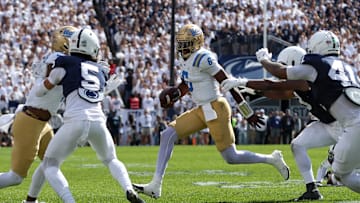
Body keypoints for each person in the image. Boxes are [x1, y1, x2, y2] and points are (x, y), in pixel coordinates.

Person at [132, 23, 290, 199]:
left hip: (216, 108)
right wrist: (176, 94)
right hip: (200, 109)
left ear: (196, 42)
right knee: (167, 134)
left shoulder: (203, 57)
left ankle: (272, 159)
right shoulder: (184, 59)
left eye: (187, 42)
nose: (183, 45)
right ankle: (155, 185)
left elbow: (227, 83)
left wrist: (247, 112)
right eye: (181, 41)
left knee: (231, 157)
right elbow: (187, 83)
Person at [30, 28, 144, 203]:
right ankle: (128, 188)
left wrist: (41, 79)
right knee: (111, 159)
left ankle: (70, 201)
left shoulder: (64, 62)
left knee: (49, 164)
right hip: (98, 121)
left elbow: (40, 92)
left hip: (75, 120)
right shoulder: (99, 69)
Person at [220, 44, 346, 200]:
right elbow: (275, 92)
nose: (283, 73)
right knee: (298, 145)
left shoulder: (304, 79)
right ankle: (312, 189)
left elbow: (272, 84)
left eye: (284, 66)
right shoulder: (299, 83)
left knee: (346, 173)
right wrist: (251, 89)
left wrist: (244, 81)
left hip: (345, 127)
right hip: (328, 124)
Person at [0, 26, 77, 202]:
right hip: (31, 120)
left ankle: (30, 200)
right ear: (65, 43)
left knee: (51, 163)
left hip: (42, 122)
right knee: (16, 177)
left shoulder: (59, 59)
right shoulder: (59, 58)